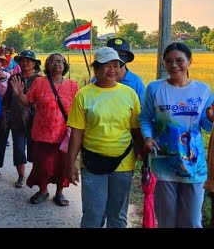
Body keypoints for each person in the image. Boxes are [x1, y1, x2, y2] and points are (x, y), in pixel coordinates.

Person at [139, 42, 214, 228]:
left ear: (190, 61)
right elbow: (145, 118)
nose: (174, 65)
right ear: (163, 63)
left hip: (194, 167)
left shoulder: (203, 90)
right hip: (163, 165)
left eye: (179, 60)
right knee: (167, 221)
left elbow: (206, 127)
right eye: (169, 61)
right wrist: (147, 137)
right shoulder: (155, 89)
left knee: (192, 222)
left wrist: (211, 119)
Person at [67, 47, 143, 228]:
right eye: (106, 65)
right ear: (96, 68)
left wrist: (145, 159)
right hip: (92, 162)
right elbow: (76, 133)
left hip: (123, 162)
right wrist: (69, 164)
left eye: (116, 65)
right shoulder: (84, 95)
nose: (112, 69)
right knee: (93, 212)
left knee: (117, 214)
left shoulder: (129, 94)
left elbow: (136, 131)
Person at [11, 53, 79, 206]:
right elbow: (27, 102)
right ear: (47, 65)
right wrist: (18, 94)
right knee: (43, 165)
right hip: (42, 134)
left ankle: (60, 192)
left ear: (65, 65)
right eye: (53, 61)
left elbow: (79, 109)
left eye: (60, 61)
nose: (57, 64)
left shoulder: (73, 85)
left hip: (64, 135)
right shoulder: (40, 82)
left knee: (62, 165)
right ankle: (43, 190)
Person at [1, 50, 41, 189]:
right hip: (17, 119)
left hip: (35, 122)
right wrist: (5, 115)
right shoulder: (14, 78)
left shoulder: (39, 80)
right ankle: (21, 176)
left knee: (35, 150)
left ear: (34, 63)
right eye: (23, 60)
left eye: (29, 60)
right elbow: (6, 99)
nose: (25, 63)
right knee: (18, 149)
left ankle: (36, 176)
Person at [92, 37, 145, 103]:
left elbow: (142, 108)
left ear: (127, 56)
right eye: (115, 52)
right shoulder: (96, 79)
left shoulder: (136, 81)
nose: (118, 56)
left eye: (122, 53)